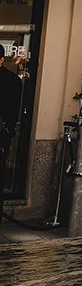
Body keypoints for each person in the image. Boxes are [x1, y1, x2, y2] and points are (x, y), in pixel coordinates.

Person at [0, 44, 25, 186]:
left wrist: (4, 139)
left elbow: (12, 112)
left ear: (1, 60)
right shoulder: (14, 81)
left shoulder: (13, 81)